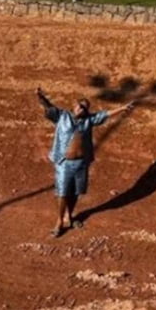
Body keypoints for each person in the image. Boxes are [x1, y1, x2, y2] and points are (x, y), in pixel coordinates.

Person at [36, 87, 135, 236]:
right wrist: (41, 97)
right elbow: (49, 108)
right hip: (64, 163)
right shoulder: (62, 116)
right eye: (79, 105)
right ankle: (59, 221)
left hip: (81, 163)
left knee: (76, 192)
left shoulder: (88, 121)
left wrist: (122, 109)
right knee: (62, 193)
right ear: (73, 106)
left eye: (85, 107)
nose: (81, 108)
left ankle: (69, 215)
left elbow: (105, 114)